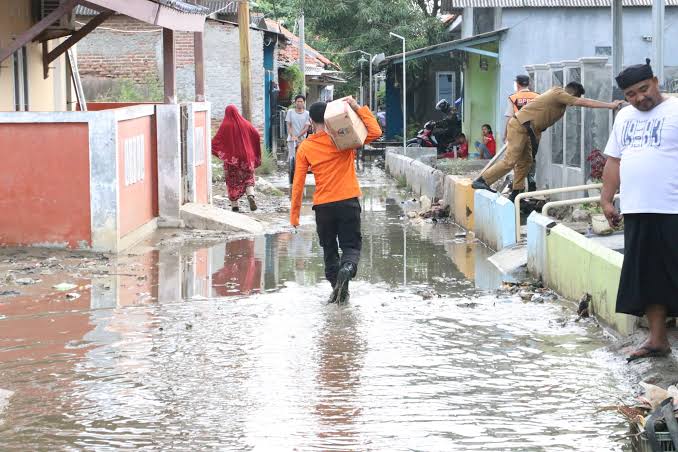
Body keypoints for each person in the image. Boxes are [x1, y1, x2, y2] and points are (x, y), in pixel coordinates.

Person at [601, 59, 678, 362]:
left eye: (643, 89)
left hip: (673, 207)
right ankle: (657, 340)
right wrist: (607, 200)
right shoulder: (624, 117)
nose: (639, 98)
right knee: (648, 276)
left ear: (656, 81)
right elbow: (613, 160)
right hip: (637, 208)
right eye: (631, 94)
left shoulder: (676, 110)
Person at [290, 96, 382, 304]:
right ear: (329, 118)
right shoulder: (343, 137)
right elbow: (375, 132)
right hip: (348, 201)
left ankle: (338, 291)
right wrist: (356, 107)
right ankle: (348, 269)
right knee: (351, 247)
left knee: (329, 249)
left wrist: (294, 216)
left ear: (311, 122)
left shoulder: (305, 148)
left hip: (323, 207)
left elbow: (298, 184)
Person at [473, 82, 623, 201]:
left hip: (527, 130)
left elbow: (540, 125)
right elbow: (583, 102)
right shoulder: (558, 93)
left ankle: (515, 194)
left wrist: (534, 144)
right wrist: (609, 105)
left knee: (526, 162)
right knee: (510, 161)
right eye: (574, 97)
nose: (572, 103)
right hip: (519, 126)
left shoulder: (559, 103)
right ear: (571, 92)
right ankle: (482, 180)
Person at [211, 105, 261, 212]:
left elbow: (217, 140)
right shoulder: (245, 123)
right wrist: (251, 147)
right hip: (246, 157)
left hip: (231, 159)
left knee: (232, 181)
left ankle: (234, 205)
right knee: (248, 178)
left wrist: (210, 146)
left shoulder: (225, 125)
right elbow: (256, 134)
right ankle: (250, 195)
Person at [502, 75, 539, 143]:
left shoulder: (513, 97)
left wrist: (505, 135)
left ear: (517, 84)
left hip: (518, 131)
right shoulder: (537, 96)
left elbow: (510, 118)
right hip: (533, 131)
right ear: (528, 84)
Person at [286, 95, 311, 184]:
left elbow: (306, 127)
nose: (299, 103)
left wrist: (298, 136)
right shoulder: (290, 112)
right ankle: (291, 174)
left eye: (301, 101)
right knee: (292, 157)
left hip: (302, 139)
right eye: (298, 101)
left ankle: (301, 174)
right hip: (291, 138)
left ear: (304, 103)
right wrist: (292, 135)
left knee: (302, 157)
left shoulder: (307, 114)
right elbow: (288, 125)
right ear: (295, 102)